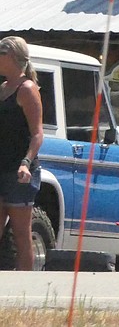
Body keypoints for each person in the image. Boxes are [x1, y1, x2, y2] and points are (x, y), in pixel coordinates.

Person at [0, 36, 43, 271]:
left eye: (0, 52)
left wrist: (26, 162)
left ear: (13, 57)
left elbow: (37, 134)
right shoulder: (3, 89)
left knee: (21, 234)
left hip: (19, 172)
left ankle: (27, 290)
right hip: (0, 166)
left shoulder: (27, 89)